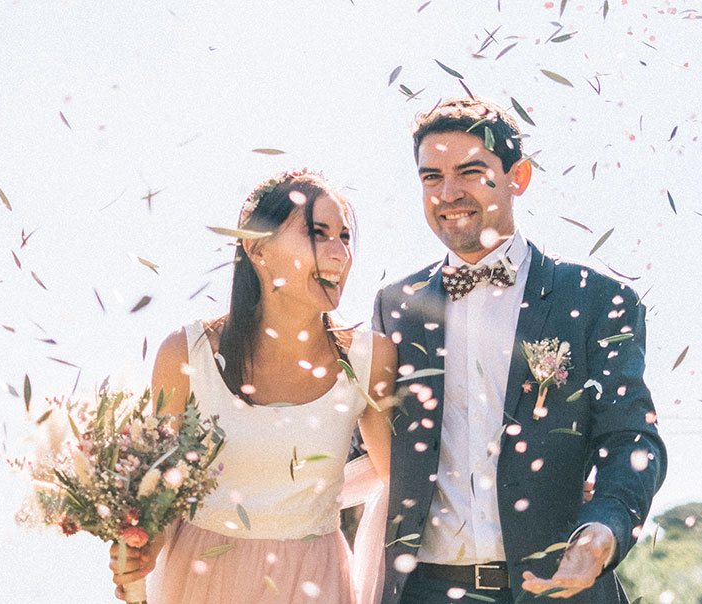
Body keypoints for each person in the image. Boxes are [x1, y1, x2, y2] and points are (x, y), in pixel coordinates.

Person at [373, 97, 667, 603]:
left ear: (519, 177)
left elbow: (633, 440)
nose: (448, 193)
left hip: (557, 590)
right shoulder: (397, 306)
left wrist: (603, 532)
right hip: (423, 591)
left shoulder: (597, 300)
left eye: (470, 172)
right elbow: (376, 441)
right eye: (431, 177)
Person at [109, 170, 397, 603]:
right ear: (257, 247)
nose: (339, 254)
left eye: (345, 237)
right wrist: (142, 549)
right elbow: (159, 496)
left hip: (314, 583)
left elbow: (403, 483)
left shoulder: (370, 359)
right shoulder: (186, 354)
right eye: (318, 233)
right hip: (202, 578)